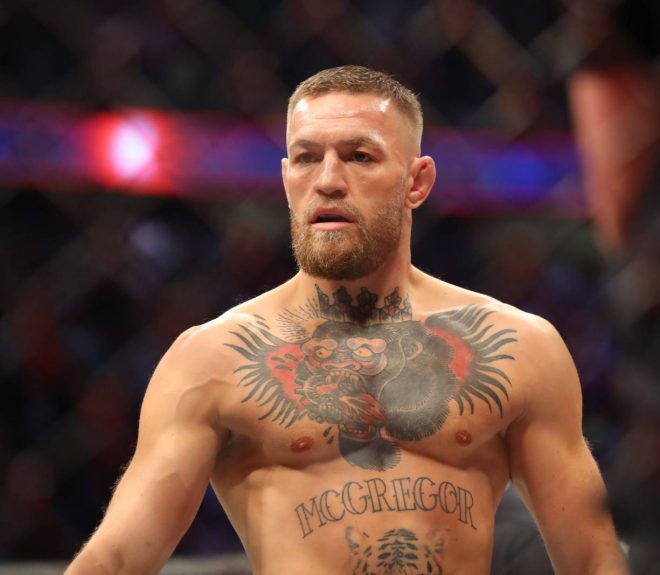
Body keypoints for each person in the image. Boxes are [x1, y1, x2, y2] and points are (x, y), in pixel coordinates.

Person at [65, 65, 628, 575]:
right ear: (286, 178)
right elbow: (117, 559)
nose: (328, 180)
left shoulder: (520, 346)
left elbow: (592, 559)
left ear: (417, 182)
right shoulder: (214, 358)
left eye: (360, 156)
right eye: (307, 157)